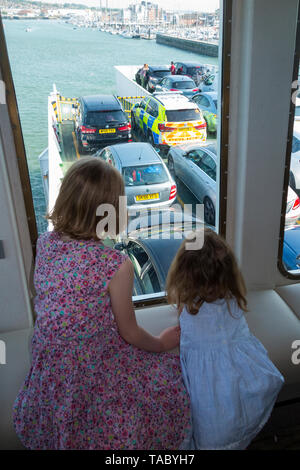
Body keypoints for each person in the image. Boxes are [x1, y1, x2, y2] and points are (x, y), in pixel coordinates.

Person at [13, 157, 191, 450]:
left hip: (50, 361)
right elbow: (129, 332)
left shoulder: (44, 242)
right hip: (87, 363)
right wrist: (161, 343)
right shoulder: (114, 264)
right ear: (111, 212)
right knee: (164, 392)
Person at [166, 228, 284, 450]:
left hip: (207, 391)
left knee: (208, 424)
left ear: (185, 273)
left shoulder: (187, 309)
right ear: (228, 273)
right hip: (241, 377)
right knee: (235, 420)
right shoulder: (233, 303)